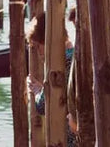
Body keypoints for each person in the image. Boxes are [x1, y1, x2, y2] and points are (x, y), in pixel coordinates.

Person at [26, 10, 76, 147]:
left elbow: (44, 105)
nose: (38, 53)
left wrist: (37, 91)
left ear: (46, 41)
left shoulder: (62, 63)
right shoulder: (74, 56)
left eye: (37, 47)